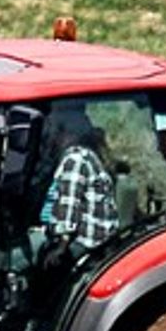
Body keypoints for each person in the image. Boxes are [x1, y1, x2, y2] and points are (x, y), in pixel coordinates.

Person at [38, 108, 121, 257]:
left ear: (67, 134)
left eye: (56, 132)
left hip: (84, 244)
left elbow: (68, 212)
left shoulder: (74, 159)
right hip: (95, 241)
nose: (52, 138)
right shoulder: (88, 155)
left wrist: (59, 249)